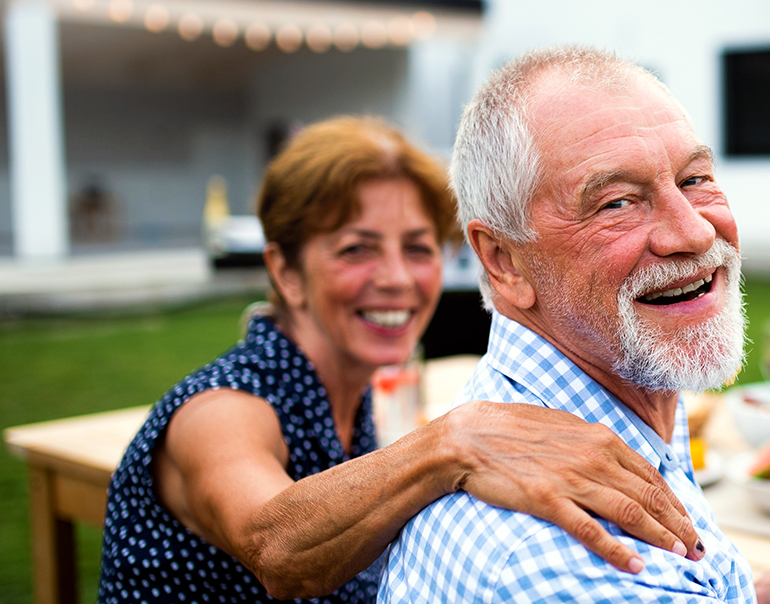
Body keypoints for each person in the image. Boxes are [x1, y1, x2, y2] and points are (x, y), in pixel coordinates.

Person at [98, 117, 707, 603]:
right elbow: (276, 548)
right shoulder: (223, 407)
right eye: (357, 249)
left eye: (418, 248)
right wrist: (455, 442)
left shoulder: (351, 394)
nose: (395, 279)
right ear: (285, 270)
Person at [379, 46, 770, 603]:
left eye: (694, 180)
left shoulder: (609, 400)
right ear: (503, 260)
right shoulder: (575, 559)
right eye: (617, 203)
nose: (692, 233)